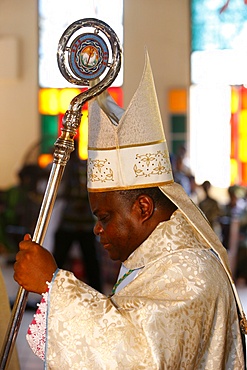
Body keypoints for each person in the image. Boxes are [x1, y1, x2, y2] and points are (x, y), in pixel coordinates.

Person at [13, 52, 246, 369]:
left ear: (143, 207)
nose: (97, 229)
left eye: (105, 217)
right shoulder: (159, 257)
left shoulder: (190, 272)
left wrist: (52, 285)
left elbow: (136, 357)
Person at [52, 142, 102, 291]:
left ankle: (97, 291)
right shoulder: (66, 167)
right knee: (60, 259)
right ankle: (50, 289)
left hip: (79, 221)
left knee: (90, 260)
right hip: (70, 220)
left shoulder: (81, 167)